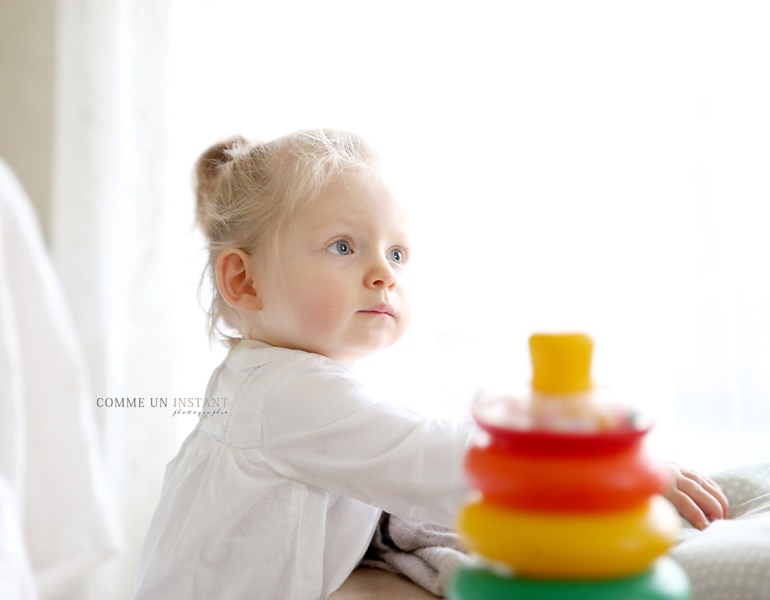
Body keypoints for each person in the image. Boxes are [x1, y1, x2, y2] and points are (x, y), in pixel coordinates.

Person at [134, 129, 728, 600]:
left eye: (397, 253)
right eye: (343, 247)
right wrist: (604, 466)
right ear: (244, 280)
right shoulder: (285, 393)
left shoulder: (275, 380)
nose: (384, 272)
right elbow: (431, 458)